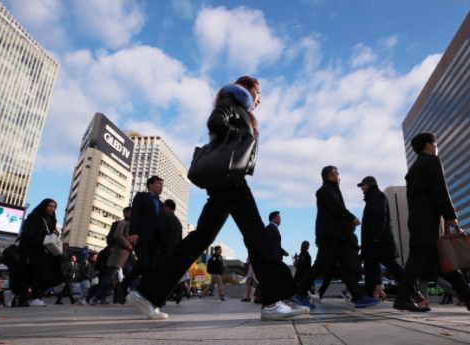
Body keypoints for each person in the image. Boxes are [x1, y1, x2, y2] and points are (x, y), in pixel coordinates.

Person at [125, 76, 308, 321]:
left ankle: (146, 293)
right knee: (256, 236)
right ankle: (274, 302)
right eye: (259, 92)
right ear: (247, 88)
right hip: (230, 180)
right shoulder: (234, 102)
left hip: (223, 182)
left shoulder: (237, 107)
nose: (260, 99)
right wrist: (237, 134)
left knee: (200, 239)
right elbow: (215, 121)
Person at [393, 132, 470, 312]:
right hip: (428, 222)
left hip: (418, 220)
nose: (437, 147)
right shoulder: (431, 161)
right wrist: (450, 215)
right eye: (435, 143)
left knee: (444, 263)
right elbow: (440, 190)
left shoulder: (413, 169)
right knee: (417, 260)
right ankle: (402, 298)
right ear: (428, 145)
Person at [293, 166, 381, 309]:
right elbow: (336, 208)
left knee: (346, 267)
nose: (340, 177)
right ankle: (300, 294)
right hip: (329, 236)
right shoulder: (323, 191)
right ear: (330, 176)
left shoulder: (334, 191)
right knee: (320, 265)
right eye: (338, 174)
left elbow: (338, 212)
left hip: (339, 237)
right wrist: (352, 218)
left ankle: (359, 298)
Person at [119, 176, 165, 301]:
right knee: (143, 263)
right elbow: (135, 215)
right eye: (158, 183)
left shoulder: (161, 204)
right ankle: (123, 285)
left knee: (150, 268)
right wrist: (133, 232)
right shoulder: (142, 197)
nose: (161, 186)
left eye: (162, 184)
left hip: (156, 240)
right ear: (150, 185)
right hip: (142, 236)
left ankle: (142, 295)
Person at [358, 176, 403, 301]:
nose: (362, 188)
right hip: (375, 243)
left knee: (392, 266)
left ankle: (412, 290)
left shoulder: (376, 196)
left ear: (369, 185)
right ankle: (367, 295)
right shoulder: (373, 197)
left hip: (380, 242)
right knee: (371, 267)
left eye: (363, 185)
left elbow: (380, 215)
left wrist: (376, 236)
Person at [18, 198, 62, 307]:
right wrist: (39, 238)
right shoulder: (35, 217)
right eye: (50, 206)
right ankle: (28, 298)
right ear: (44, 206)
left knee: (39, 274)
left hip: (43, 252)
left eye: (54, 207)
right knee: (29, 274)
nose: (52, 209)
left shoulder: (50, 220)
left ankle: (34, 297)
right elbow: (28, 232)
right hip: (31, 251)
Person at [92, 209, 133, 305]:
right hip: (120, 253)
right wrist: (128, 245)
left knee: (131, 275)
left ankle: (132, 296)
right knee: (109, 276)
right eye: (132, 212)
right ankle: (98, 297)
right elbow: (117, 235)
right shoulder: (123, 222)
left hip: (128, 254)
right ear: (126, 213)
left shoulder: (132, 224)